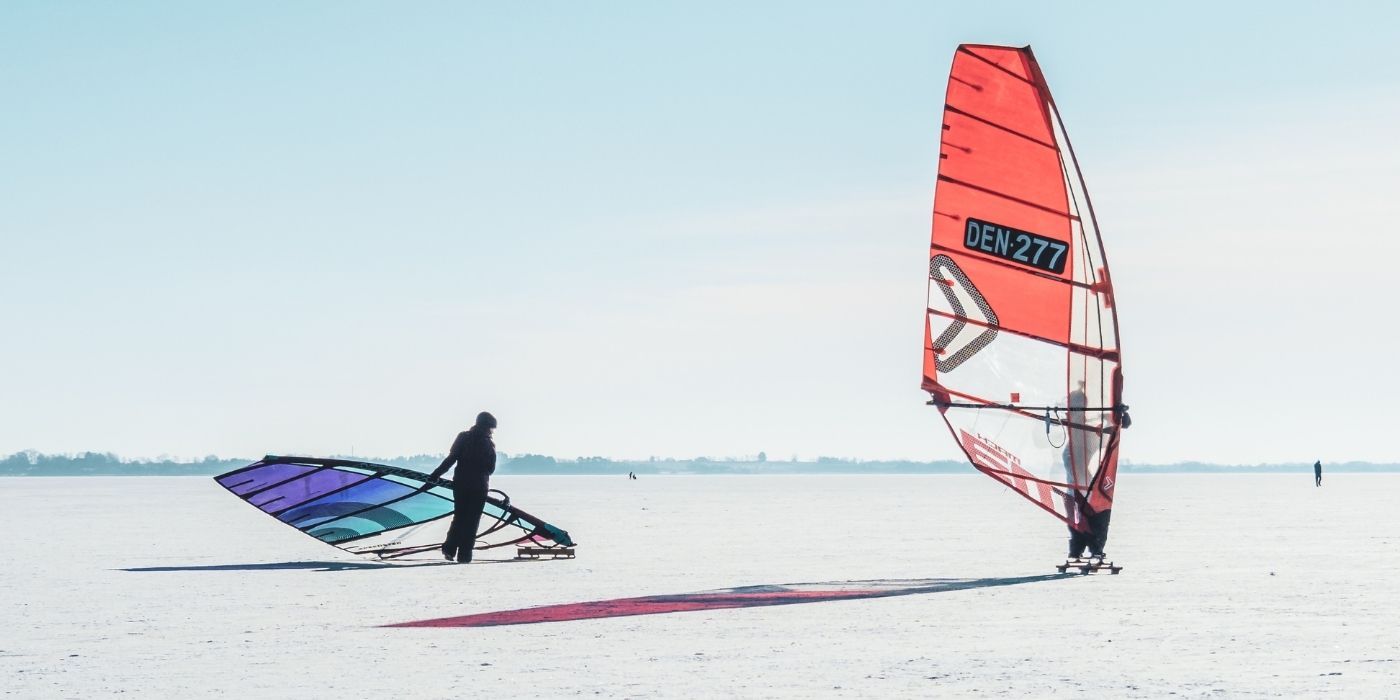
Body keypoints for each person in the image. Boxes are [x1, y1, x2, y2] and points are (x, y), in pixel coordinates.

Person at [429, 412, 497, 563]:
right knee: (472, 522)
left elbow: (451, 459)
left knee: (459, 517)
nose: (491, 432)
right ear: (487, 427)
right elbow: (491, 469)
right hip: (479, 487)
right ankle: (464, 555)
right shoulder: (488, 444)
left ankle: (449, 549)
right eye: (491, 429)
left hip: (460, 484)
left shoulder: (463, 437)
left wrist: (435, 474)